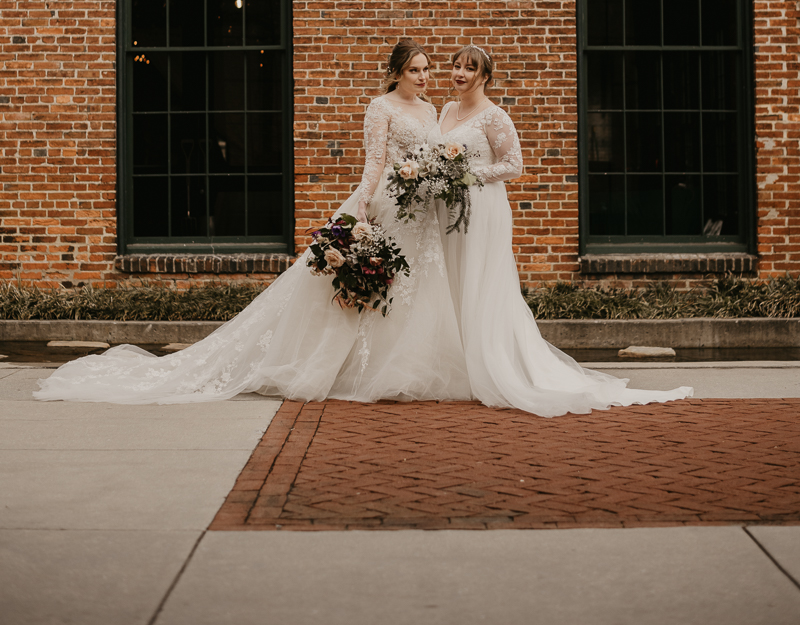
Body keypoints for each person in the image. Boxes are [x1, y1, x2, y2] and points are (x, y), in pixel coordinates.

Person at [35, 40, 470, 405]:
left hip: (421, 214)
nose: (424, 77)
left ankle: (405, 368)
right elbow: (373, 164)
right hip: (386, 207)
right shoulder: (380, 108)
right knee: (373, 284)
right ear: (396, 72)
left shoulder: (430, 111)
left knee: (415, 286)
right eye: (416, 70)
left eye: (427, 69)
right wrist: (363, 211)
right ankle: (356, 369)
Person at [437, 44, 693, 416]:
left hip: (482, 209)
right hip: (447, 210)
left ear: (485, 77)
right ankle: (458, 366)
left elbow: (514, 165)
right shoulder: (446, 109)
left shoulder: (494, 116)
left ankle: (491, 365)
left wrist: (468, 174)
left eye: (469, 68)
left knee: (479, 283)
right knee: (453, 280)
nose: (459, 73)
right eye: (456, 66)